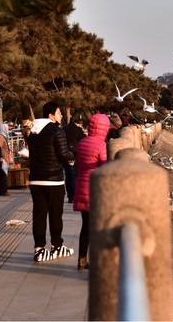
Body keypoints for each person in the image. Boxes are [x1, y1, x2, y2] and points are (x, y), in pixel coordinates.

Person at [28, 102, 75, 262]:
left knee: (39, 215)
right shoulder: (57, 131)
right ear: (51, 115)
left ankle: (39, 249)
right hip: (53, 180)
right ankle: (57, 246)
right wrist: (75, 154)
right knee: (56, 215)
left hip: (35, 180)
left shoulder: (33, 133)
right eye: (59, 112)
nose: (61, 115)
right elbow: (63, 155)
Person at [73, 114, 110, 270]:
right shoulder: (101, 145)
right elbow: (103, 167)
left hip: (81, 187)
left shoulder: (81, 143)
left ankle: (82, 260)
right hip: (95, 190)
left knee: (86, 226)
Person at [64, 118, 86, 204]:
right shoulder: (78, 130)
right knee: (74, 175)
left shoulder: (64, 129)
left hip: (65, 154)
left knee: (68, 176)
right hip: (74, 154)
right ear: (79, 124)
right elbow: (82, 140)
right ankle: (74, 196)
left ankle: (70, 196)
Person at [0, 123, 11, 196]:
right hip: (2, 160)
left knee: (2, 175)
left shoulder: (2, 136)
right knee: (3, 176)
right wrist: (0, 157)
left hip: (4, 159)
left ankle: (1, 191)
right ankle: (3, 191)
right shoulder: (0, 137)